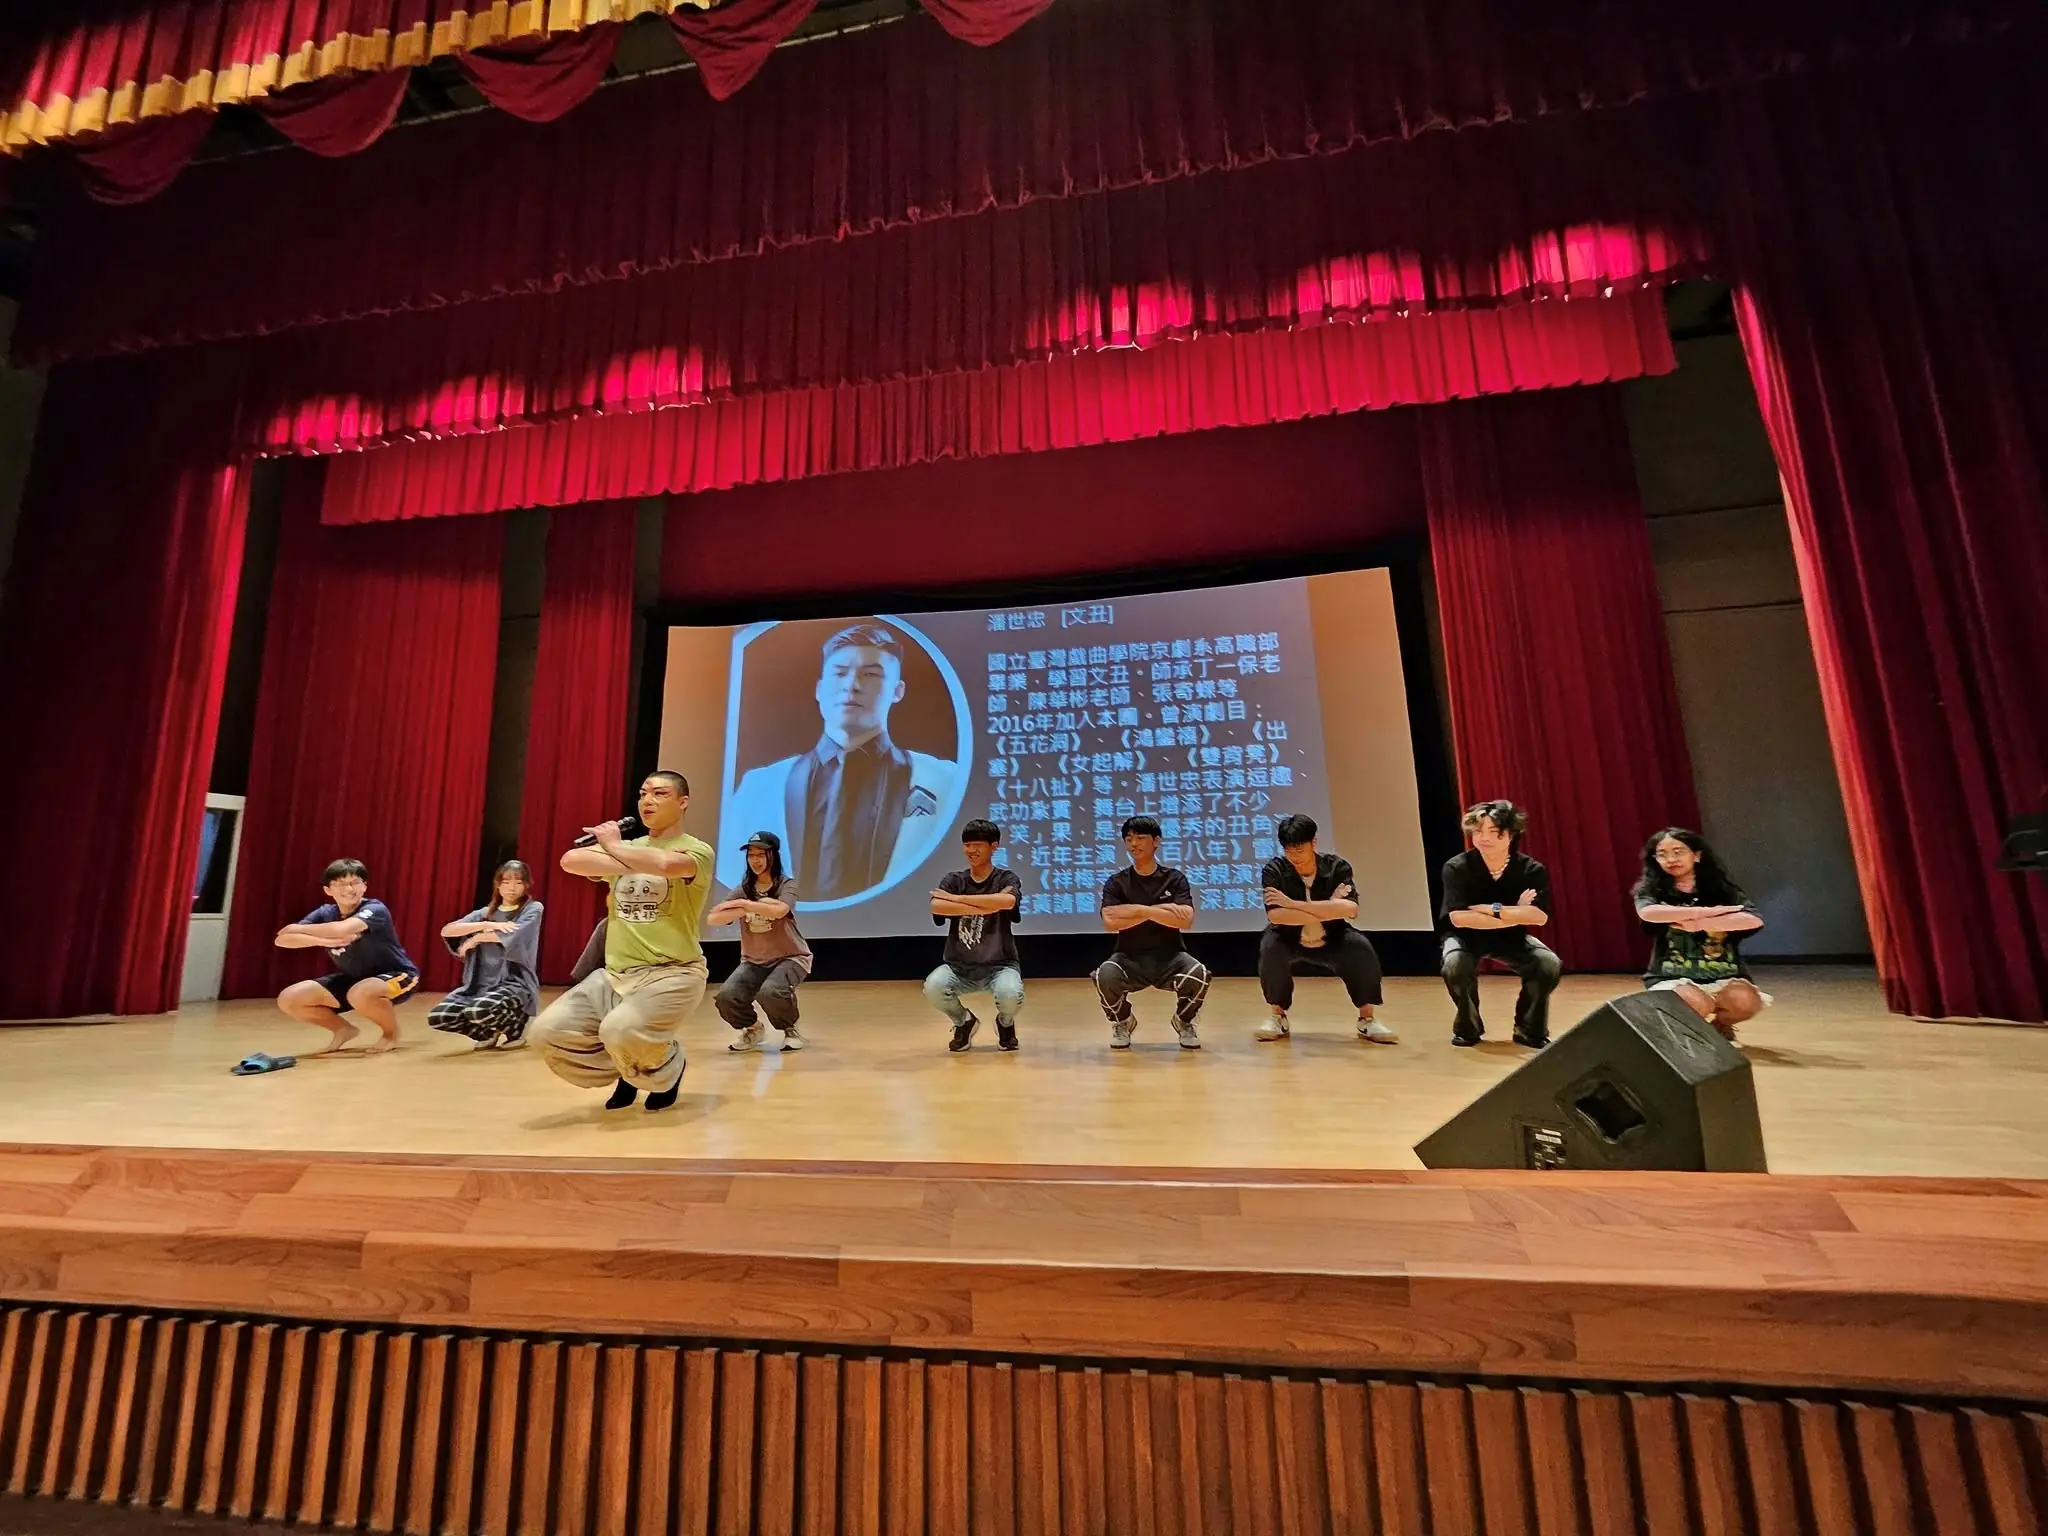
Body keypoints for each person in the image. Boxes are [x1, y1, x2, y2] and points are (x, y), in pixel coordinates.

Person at [723, 622, 959, 902]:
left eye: (870, 674)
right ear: (820, 689)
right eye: (840, 673)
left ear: (897, 691)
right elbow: (731, 877)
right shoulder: (760, 786)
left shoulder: (944, 781)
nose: (852, 686)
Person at [530, 771, 715, 1112]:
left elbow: (666, 864)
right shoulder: (631, 849)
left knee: (619, 1029)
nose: (647, 801)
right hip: (615, 975)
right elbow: (571, 860)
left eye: (659, 793)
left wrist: (614, 849)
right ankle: (628, 1069)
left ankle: (667, 1067)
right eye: (643, 794)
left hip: (672, 973)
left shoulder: (697, 850)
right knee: (545, 1032)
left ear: (683, 802)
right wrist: (626, 854)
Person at [1255, 814, 1396, 1044]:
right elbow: (1276, 915)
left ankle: (1367, 1019)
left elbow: (1350, 909)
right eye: (1289, 850)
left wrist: (1293, 904)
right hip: (1288, 935)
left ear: (1314, 842)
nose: (1295, 856)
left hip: (1333, 935)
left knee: (1360, 947)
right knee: (1270, 947)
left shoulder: (1336, 867)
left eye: (1300, 849)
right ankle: (1278, 1016)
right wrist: (1330, 906)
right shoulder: (1274, 870)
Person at [1438, 800, 1561, 1048]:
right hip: (1465, 937)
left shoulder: (1531, 869)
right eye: (1478, 831)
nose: (1484, 838)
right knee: (1455, 965)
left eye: (1494, 832)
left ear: (1511, 834)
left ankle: (1529, 1029)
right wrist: (1516, 912)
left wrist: (1491, 909)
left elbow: (1539, 917)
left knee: (1548, 964)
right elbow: (1459, 918)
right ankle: (1468, 1027)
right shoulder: (1457, 867)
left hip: (1512, 938)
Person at [1633, 827, 1771, 1041]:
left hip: (1724, 973)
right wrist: (1708, 913)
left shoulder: (1723, 890)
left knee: (1745, 1003)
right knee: (1697, 1003)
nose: (1671, 859)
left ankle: (1720, 1026)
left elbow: (1753, 919)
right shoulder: (1651, 891)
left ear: (1696, 856)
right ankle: (1688, 1037)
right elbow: (1649, 913)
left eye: (1678, 852)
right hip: (1671, 975)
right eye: (1662, 854)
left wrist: (1697, 924)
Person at [270, 859, 420, 1055]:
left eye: (355, 882)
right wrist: (323, 941)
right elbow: (282, 940)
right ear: (328, 890)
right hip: (355, 978)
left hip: (398, 975)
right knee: (290, 999)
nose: (349, 889)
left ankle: (390, 1034)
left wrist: (296, 928)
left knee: (360, 992)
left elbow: (342, 929)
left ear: (364, 886)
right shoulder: (325, 912)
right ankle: (343, 1030)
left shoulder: (375, 909)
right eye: (341, 883)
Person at [1094, 815, 1207, 1050]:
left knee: (1199, 974)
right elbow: (1110, 921)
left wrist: (1133, 911)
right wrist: (1155, 910)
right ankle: (1123, 1021)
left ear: (1156, 841)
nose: (1134, 844)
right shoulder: (1117, 882)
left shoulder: (1174, 879)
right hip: (1128, 958)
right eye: (1129, 839)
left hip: (1171, 957)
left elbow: (1186, 919)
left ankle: (1184, 1021)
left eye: (1140, 838)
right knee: (1104, 974)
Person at [923, 820, 1026, 1052]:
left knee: (1010, 994)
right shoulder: (954, 880)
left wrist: (957, 899)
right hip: (959, 966)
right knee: (933, 987)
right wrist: (988, 905)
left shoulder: (1006, 878)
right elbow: (937, 906)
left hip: (1000, 965)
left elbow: (1007, 901)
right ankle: (964, 1022)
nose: (971, 850)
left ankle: (1005, 1024)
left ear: (994, 846)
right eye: (967, 845)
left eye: (977, 845)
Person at [706, 830, 813, 1052]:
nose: (755, 860)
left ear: (773, 856)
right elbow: (714, 918)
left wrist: (745, 905)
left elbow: (780, 910)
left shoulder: (786, 885)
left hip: (791, 957)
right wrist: (747, 906)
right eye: (751, 855)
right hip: (754, 960)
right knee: (726, 997)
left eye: (761, 855)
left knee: (771, 992)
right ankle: (753, 1029)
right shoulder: (744, 889)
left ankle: (790, 1029)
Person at [427, 860, 545, 1049]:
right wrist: (486, 924)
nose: (512, 888)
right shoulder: (485, 913)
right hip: (481, 982)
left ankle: (516, 1029)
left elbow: (515, 934)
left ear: (526, 885)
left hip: (514, 982)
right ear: (498, 885)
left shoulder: (533, 908)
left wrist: (477, 938)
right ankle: (488, 1033)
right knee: (440, 1016)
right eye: (506, 882)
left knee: (478, 1010)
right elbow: (448, 930)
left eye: (518, 882)